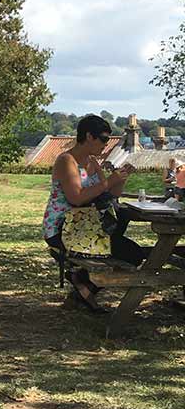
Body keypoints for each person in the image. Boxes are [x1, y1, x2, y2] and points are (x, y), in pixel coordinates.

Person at [42, 114, 142, 313]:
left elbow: (110, 193)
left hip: (89, 228)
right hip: (64, 229)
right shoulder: (66, 161)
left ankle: (82, 287)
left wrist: (120, 178)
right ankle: (83, 288)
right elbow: (76, 198)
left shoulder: (93, 162)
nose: (106, 144)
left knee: (133, 254)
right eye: (104, 139)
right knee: (131, 254)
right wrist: (109, 181)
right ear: (89, 136)